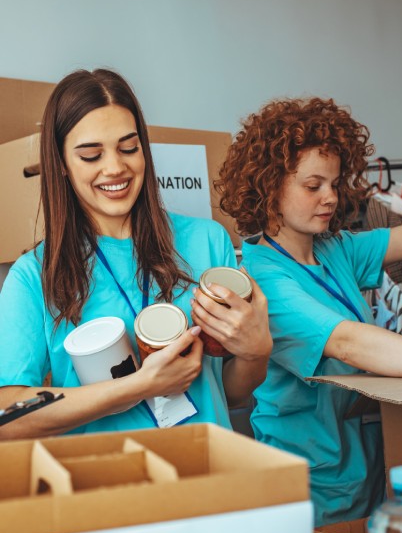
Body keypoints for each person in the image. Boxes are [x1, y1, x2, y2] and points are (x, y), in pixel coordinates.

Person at [0, 69, 272, 439]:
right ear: (61, 164)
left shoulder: (208, 241)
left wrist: (256, 351)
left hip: (211, 477)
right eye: (91, 155)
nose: (115, 167)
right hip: (112, 486)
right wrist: (140, 386)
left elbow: (230, 393)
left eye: (129, 148)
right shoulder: (34, 276)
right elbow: (9, 416)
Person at [215, 96, 402, 527]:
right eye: (313, 185)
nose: (330, 197)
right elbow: (347, 341)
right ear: (270, 185)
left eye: (335, 184)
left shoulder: (335, 248)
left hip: (372, 462)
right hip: (315, 478)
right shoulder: (262, 279)